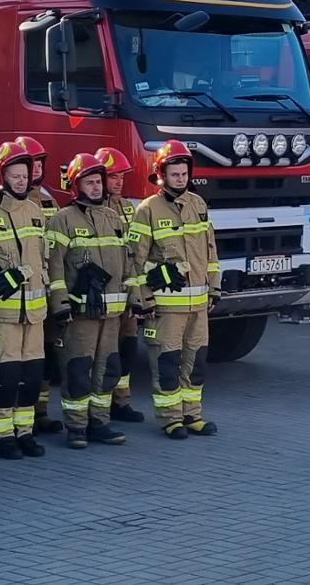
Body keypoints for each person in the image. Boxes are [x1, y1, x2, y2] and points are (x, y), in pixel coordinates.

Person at [127, 140, 221, 440]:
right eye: (175, 174)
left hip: (198, 305)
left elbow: (210, 252)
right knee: (166, 363)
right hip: (165, 307)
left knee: (196, 363)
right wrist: (145, 298)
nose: (181, 179)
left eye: (184, 174)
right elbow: (134, 261)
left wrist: (214, 290)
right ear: (162, 175)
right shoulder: (147, 210)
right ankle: (170, 419)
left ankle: (192, 415)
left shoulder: (198, 204)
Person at [46, 154, 136, 449]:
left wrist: (135, 299)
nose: (96, 187)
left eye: (99, 182)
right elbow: (54, 266)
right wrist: (59, 305)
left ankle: (99, 421)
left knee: (106, 367)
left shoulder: (113, 217)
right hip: (79, 313)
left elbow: (128, 263)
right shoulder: (62, 219)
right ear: (76, 185)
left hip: (111, 313)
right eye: (90, 182)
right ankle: (76, 426)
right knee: (78, 367)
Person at [0, 140, 51, 459]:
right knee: (3, 377)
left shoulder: (35, 211)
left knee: (30, 376)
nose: (21, 180)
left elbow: (44, 260)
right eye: (14, 175)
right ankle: (0, 435)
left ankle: (24, 431)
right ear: (0, 177)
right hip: (0, 315)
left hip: (34, 313)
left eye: (25, 175)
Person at [15, 135, 65, 435]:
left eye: (37, 163)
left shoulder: (48, 200)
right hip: (19, 297)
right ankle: (18, 415)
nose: (34, 169)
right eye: (27, 164)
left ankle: (40, 411)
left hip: (45, 292)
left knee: (44, 357)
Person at [95, 146, 148, 424]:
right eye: (112, 176)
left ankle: (121, 401)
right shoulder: (92, 210)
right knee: (104, 352)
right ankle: (100, 407)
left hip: (127, 292)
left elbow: (136, 253)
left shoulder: (129, 208)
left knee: (127, 347)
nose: (118, 182)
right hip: (103, 296)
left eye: (121, 176)